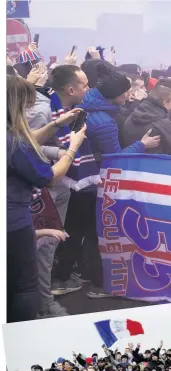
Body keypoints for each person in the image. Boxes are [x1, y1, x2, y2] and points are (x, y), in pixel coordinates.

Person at [52, 64, 160, 299]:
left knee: (73, 228)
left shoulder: (89, 103)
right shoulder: (103, 121)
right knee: (95, 233)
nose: (129, 96)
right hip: (93, 183)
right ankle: (98, 284)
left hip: (77, 180)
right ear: (113, 95)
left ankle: (61, 278)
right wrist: (142, 145)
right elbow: (115, 158)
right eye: (126, 93)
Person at [7, 75, 86, 323]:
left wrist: (56, 125)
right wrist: (72, 149)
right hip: (13, 221)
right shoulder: (13, 143)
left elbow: (25, 140)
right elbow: (49, 177)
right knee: (24, 285)